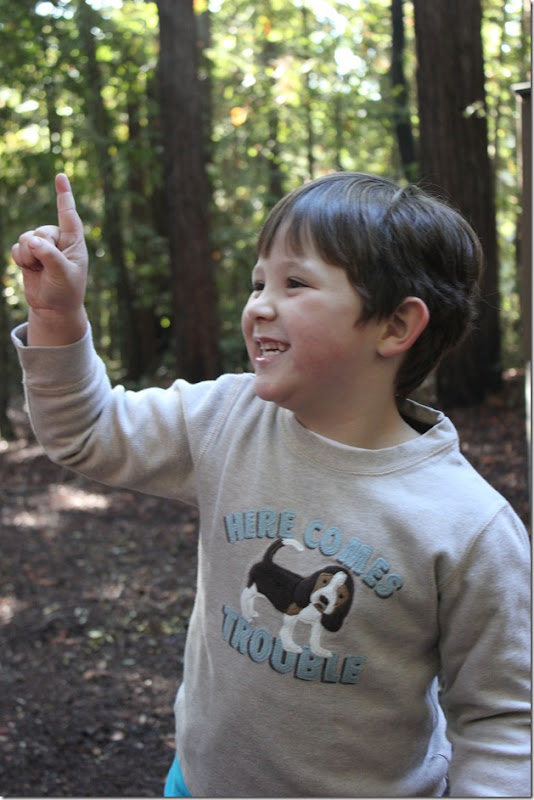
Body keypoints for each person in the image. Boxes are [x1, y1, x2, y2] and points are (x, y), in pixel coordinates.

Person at [11, 171, 530, 798]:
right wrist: (57, 315)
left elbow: (501, 718)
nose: (258, 305)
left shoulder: (469, 525)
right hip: (200, 785)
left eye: (295, 283)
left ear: (395, 326)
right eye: (259, 283)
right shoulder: (226, 420)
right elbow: (87, 431)